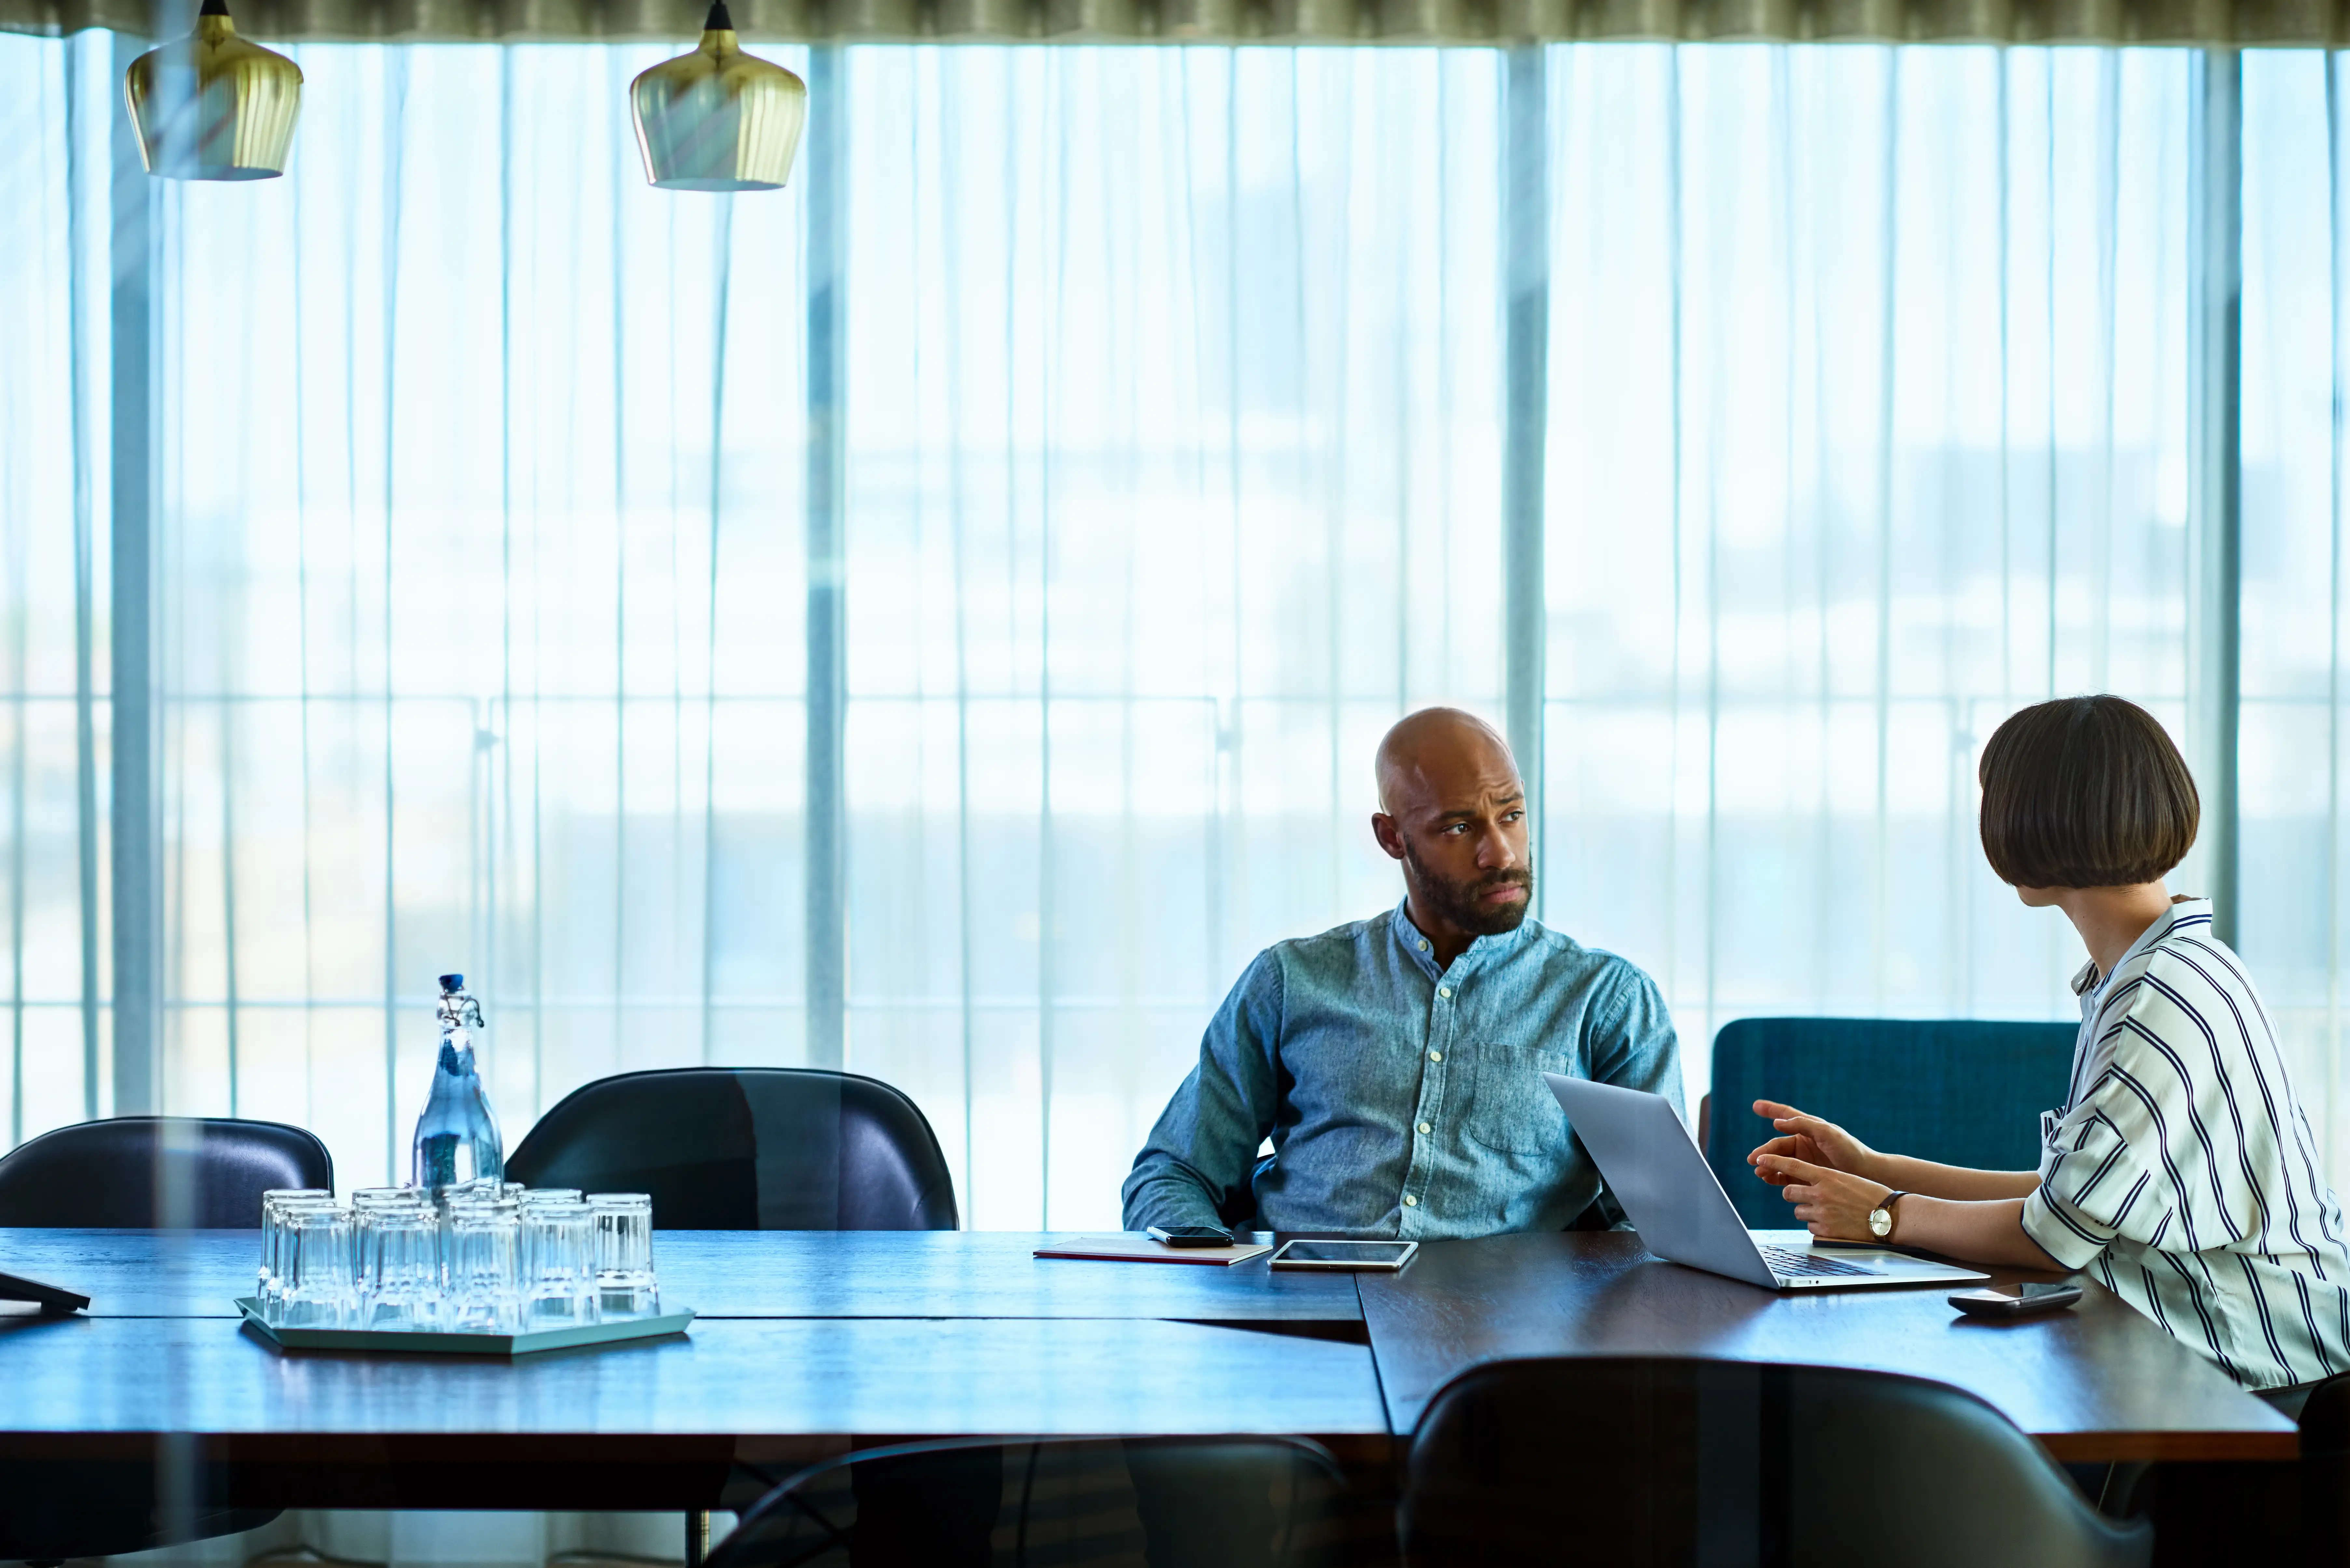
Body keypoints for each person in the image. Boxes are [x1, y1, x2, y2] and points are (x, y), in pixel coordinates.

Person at [1750, 694, 2350, 1396]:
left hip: (2251, 1359)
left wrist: (1883, 1216)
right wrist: (1879, 1169)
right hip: (2217, 1331)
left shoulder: (2159, 998)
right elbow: (2071, 1202)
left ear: (2043, 818)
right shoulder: (2149, 970)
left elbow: (2052, 1236)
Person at [1122, 706, 1682, 1238]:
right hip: (1300, 1309)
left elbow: (1666, 1218)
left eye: (1511, 815)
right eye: (1459, 828)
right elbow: (1174, 1173)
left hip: (1509, 1322)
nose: (1500, 853)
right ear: (1392, 837)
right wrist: (1210, 1276)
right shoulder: (1290, 981)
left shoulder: (1608, 999)